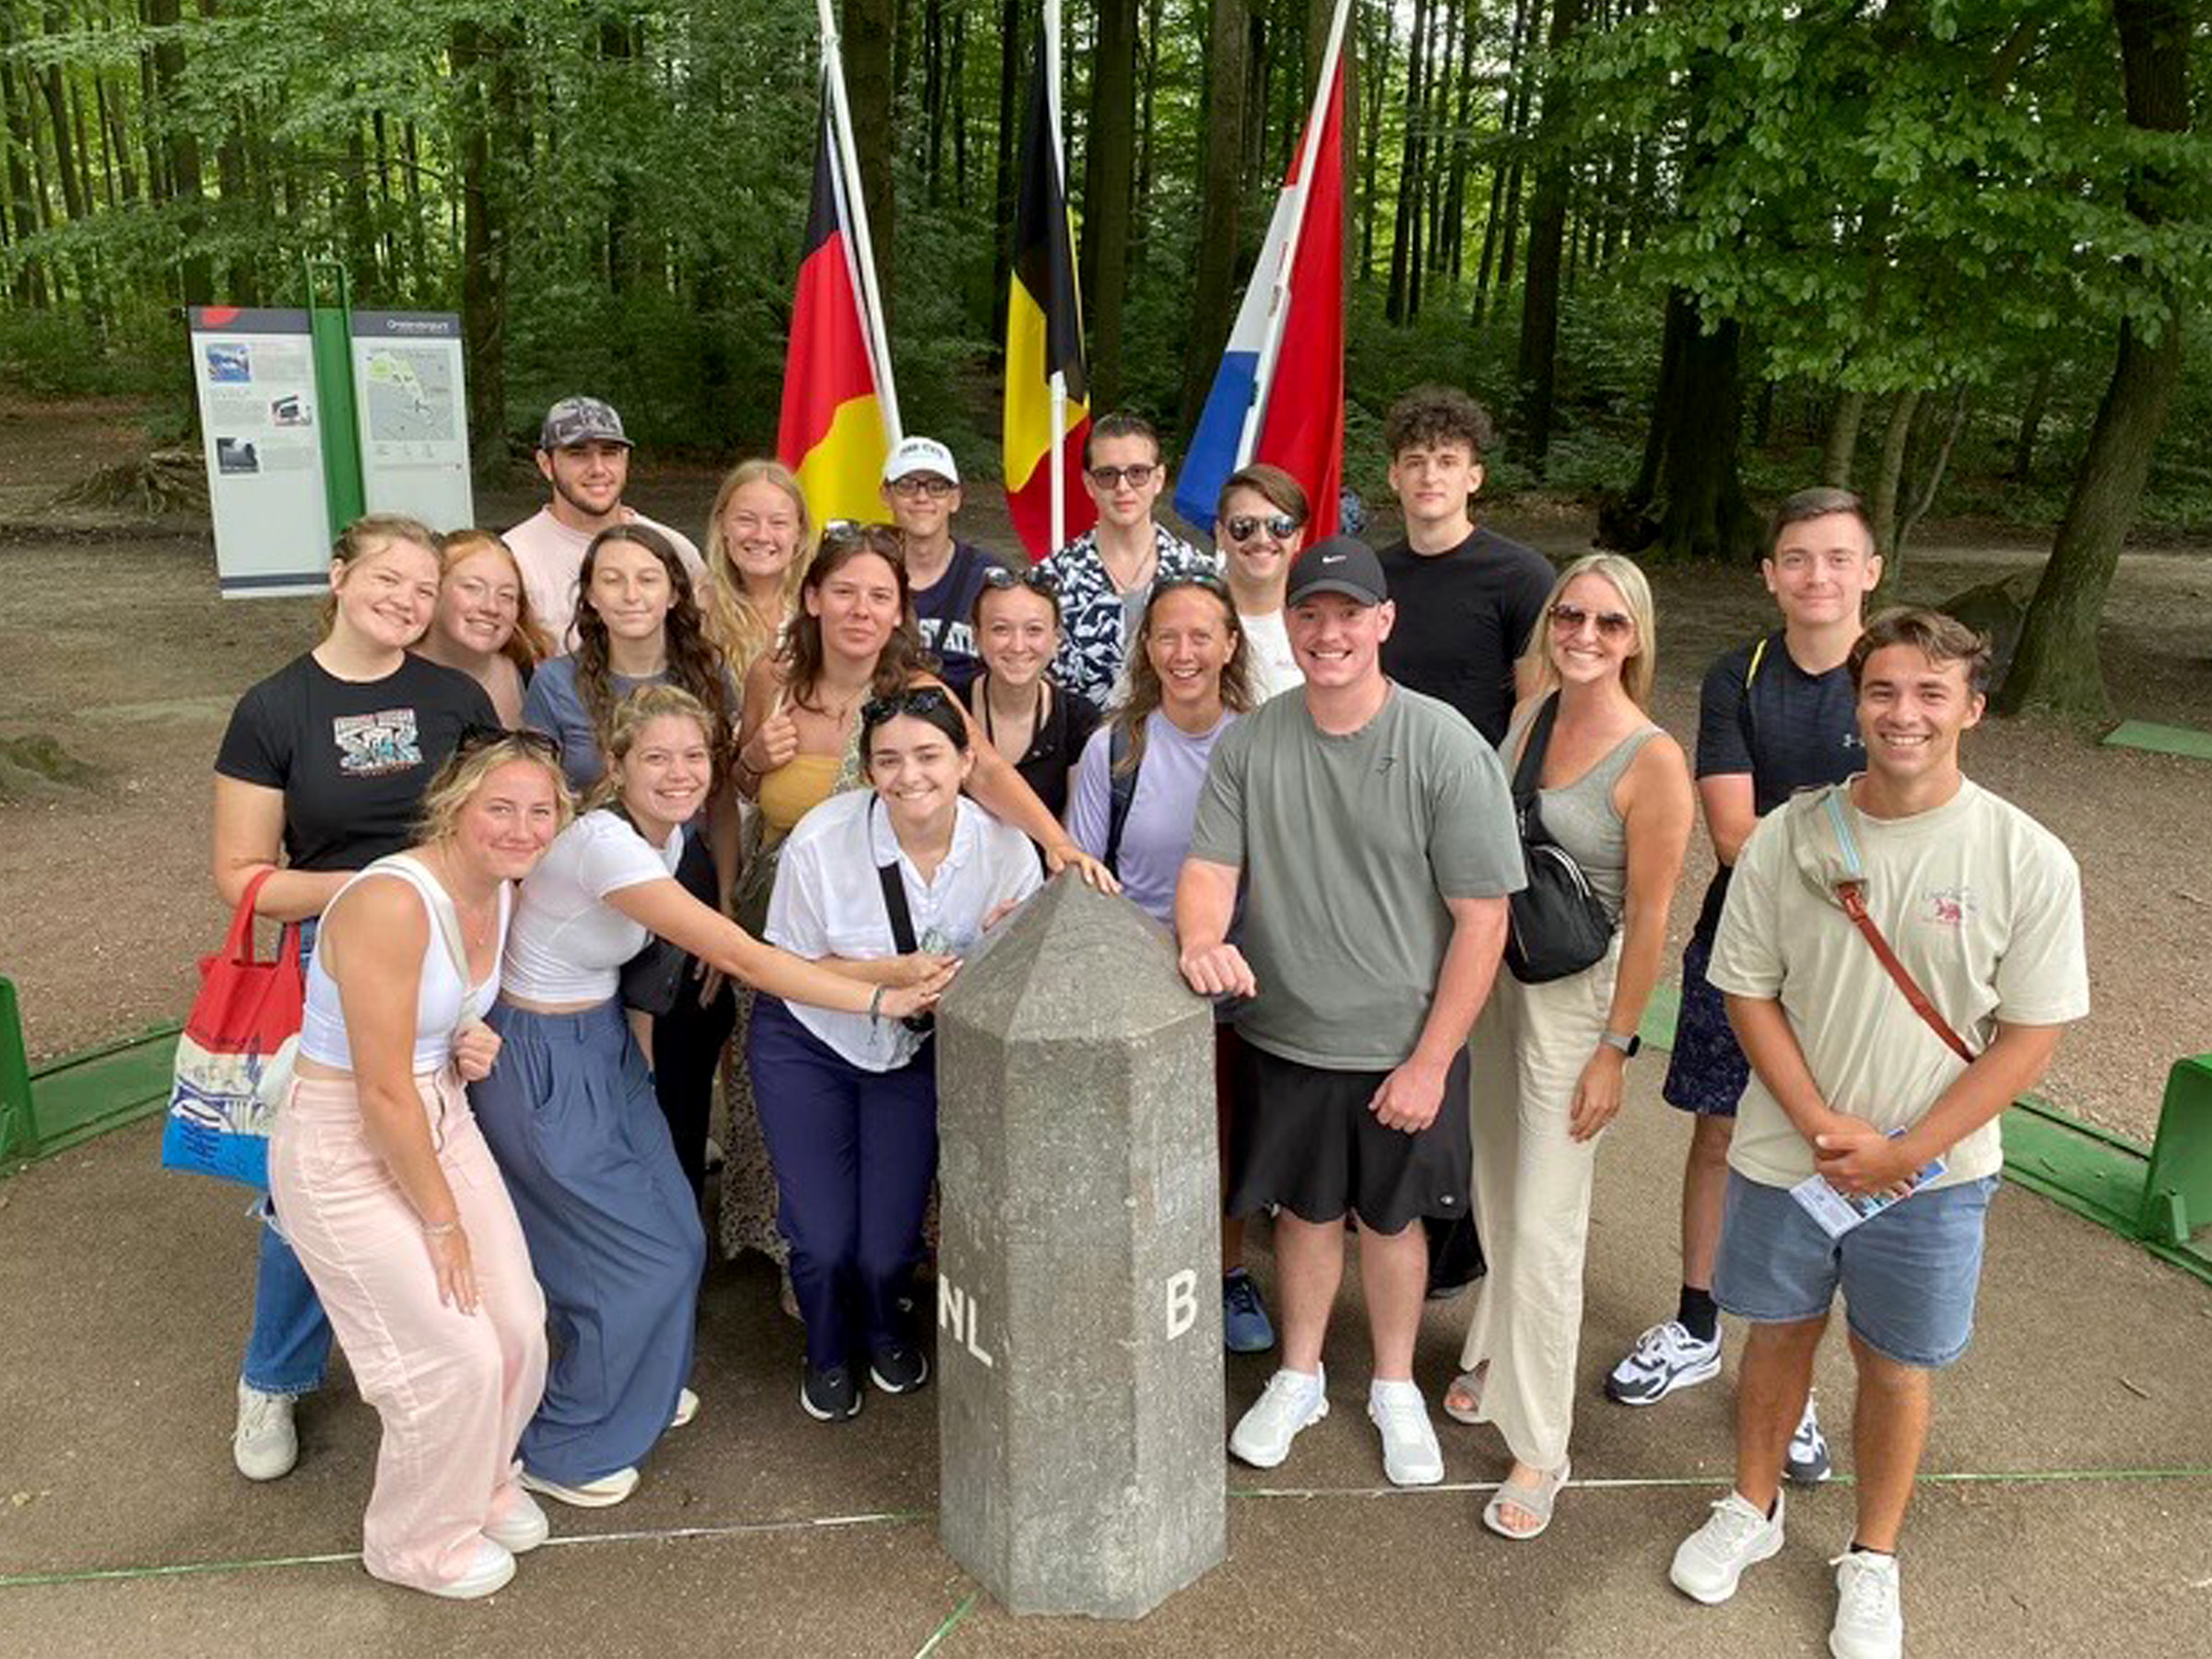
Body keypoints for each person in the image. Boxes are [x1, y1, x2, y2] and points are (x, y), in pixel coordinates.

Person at [1668, 608, 2086, 1659]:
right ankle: (1751, 1508)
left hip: (1933, 1178)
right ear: (1858, 706)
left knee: (1896, 1365)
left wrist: (1909, 1149)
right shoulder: (1789, 837)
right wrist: (1814, 1121)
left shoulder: (2026, 857)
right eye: (1885, 691)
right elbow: (1747, 992)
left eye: (1931, 693)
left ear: (1973, 710)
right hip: (1785, 1155)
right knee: (1778, 1334)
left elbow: (2030, 1037)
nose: (1905, 714)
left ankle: (1873, 1557)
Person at [471, 686, 947, 1494]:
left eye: (694, 756)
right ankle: (563, 1449)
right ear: (616, 767)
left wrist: (638, 1066)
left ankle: (634, 1387)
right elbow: (747, 957)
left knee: (678, 1240)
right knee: (627, 1260)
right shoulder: (606, 845)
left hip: (603, 1044)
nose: (680, 773)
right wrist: (881, 997)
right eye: (655, 757)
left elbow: (630, 976)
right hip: (543, 1054)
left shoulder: (667, 836)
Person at [1178, 536, 1522, 1489]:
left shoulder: (1445, 745)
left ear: (1384, 622)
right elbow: (1210, 868)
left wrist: (1431, 1061)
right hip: (1287, 1030)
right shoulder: (1253, 740)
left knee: (1397, 1219)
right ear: (1289, 624)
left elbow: (1483, 920)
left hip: (1406, 1043)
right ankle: (1299, 1375)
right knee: (1306, 1212)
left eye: (1347, 614)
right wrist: (1203, 939)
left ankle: (1396, 1384)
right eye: (1310, 614)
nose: (1329, 633)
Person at [722, 526, 1112, 1267]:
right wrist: (748, 757)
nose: (860, 611)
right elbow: (741, 786)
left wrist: (1056, 845)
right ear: (812, 598)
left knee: (888, 1090)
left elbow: (986, 773)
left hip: (886, 917)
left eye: (880, 596)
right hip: (789, 912)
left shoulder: (916, 694)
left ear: (901, 610)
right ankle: (802, 1268)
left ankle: (883, 1265)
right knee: (786, 1104)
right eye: (844, 592)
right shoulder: (770, 678)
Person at [1605, 488, 1886, 1485]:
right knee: (1719, 1135)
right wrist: (1851, 848)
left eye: (1836, 558)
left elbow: (1911, 833)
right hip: (1744, 957)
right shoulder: (1740, 676)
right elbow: (1733, 841)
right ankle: (1695, 1324)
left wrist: (1815, 839)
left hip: (1858, 979)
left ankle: (1789, 1377)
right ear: (1770, 574)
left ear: (1870, 571)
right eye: (1797, 559)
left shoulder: (1891, 678)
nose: (1817, 577)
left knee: (1820, 1158)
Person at [212, 515, 499, 1484]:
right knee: (315, 1181)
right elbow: (244, 878)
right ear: (338, 575)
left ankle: (456, 1352)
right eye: (389, 578)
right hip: (329, 957)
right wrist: (385, 893)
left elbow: (496, 827)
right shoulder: (273, 708)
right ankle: (274, 1375)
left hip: (454, 952)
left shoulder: (453, 697)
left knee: (447, 1149)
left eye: (426, 589)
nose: (408, 602)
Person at [269, 729, 569, 1598]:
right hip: (347, 1140)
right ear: (453, 806)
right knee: (452, 1350)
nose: (520, 828)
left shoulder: (503, 888)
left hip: (438, 1110)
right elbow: (379, 1092)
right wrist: (442, 1222)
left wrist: (466, 1036)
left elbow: (431, 1023)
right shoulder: (392, 900)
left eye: (539, 810)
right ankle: (413, 1540)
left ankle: (481, 1484)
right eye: (499, 808)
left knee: (517, 1323)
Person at [1445, 554, 1695, 1541]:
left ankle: (1542, 1448)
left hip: (1581, 997)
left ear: (1636, 638)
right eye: (1571, 617)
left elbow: (1651, 913)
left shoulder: (1652, 759)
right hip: (1503, 978)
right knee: (1499, 1185)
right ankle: (1498, 1354)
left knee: (1549, 1222)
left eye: (1608, 624)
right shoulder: (1529, 716)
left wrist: (1616, 1049)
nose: (1585, 636)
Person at [755, 688, 1041, 1419]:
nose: (909, 775)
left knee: (889, 1239)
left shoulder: (1006, 849)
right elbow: (787, 965)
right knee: (820, 1237)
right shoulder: (822, 839)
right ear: (867, 769)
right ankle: (824, 1348)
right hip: (809, 1039)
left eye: (928, 755)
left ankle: (884, 1325)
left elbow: (1018, 977)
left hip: (911, 1056)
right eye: (888, 759)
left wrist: (1012, 945)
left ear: (966, 760)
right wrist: (891, 975)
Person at [1068, 573, 1268, 1351]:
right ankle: (1131, 1279)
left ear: (1229, 644)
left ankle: (1226, 1273)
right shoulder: (1115, 748)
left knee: (1222, 1140)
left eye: (1200, 636)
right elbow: (1082, 870)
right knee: (1130, 1147)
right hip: (1137, 979)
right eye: (1166, 636)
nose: (1183, 653)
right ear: (1147, 648)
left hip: (1237, 981)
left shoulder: (1263, 739)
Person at [522, 524, 740, 1197]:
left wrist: (724, 906)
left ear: (675, 589)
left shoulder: (709, 677)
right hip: (591, 892)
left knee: (682, 1061)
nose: (631, 593)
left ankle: (679, 1217)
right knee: (607, 1058)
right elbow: (537, 801)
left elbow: (723, 798)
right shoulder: (555, 685)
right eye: (611, 578)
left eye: (647, 577)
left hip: (686, 874)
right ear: (588, 594)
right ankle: (610, 1210)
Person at [1376, 384, 1556, 745]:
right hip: (1383, 782)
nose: (1430, 476)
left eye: (1447, 461)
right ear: (1395, 476)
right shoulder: (1372, 578)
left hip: (1482, 784)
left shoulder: (1522, 577)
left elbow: (1536, 711)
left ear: (1474, 477)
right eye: (1415, 462)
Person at [1037, 412, 1218, 707]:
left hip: (1180, 745)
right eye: (1107, 475)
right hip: (1080, 748)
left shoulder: (1201, 574)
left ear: (1159, 478)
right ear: (1088, 483)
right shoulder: (1050, 581)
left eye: (1137, 473)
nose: (1123, 487)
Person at [506, 396, 705, 649]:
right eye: (578, 454)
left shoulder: (673, 549)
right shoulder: (514, 557)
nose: (598, 468)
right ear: (546, 465)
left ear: (626, 460)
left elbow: (702, 647)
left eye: (610, 453)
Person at [967, 565, 1100, 822]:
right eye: (1001, 629)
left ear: (1056, 639)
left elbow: (1077, 829)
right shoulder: (949, 709)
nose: (1018, 646)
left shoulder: (1079, 719)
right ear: (977, 636)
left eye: (1034, 630)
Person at [880, 435, 1008, 695]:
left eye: (937, 486)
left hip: (970, 724)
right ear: (886, 495)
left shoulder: (990, 580)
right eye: (907, 485)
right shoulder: (869, 576)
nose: (922, 497)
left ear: (955, 498)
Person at [415, 529, 552, 727]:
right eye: (472, 588)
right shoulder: (390, 677)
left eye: (506, 595)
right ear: (433, 591)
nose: (491, 607)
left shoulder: (530, 675)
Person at [700, 457, 816, 688]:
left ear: (800, 532)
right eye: (746, 520)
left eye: (778, 522)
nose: (762, 535)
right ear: (722, 524)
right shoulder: (696, 612)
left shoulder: (820, 611)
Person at [1214, 464, 1308, 700]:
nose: (1262, 539)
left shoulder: (1320, 627)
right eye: (1243, 526)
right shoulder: (1180, 617)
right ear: (1220, 535)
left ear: (1298, 537)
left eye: (1280, 526)